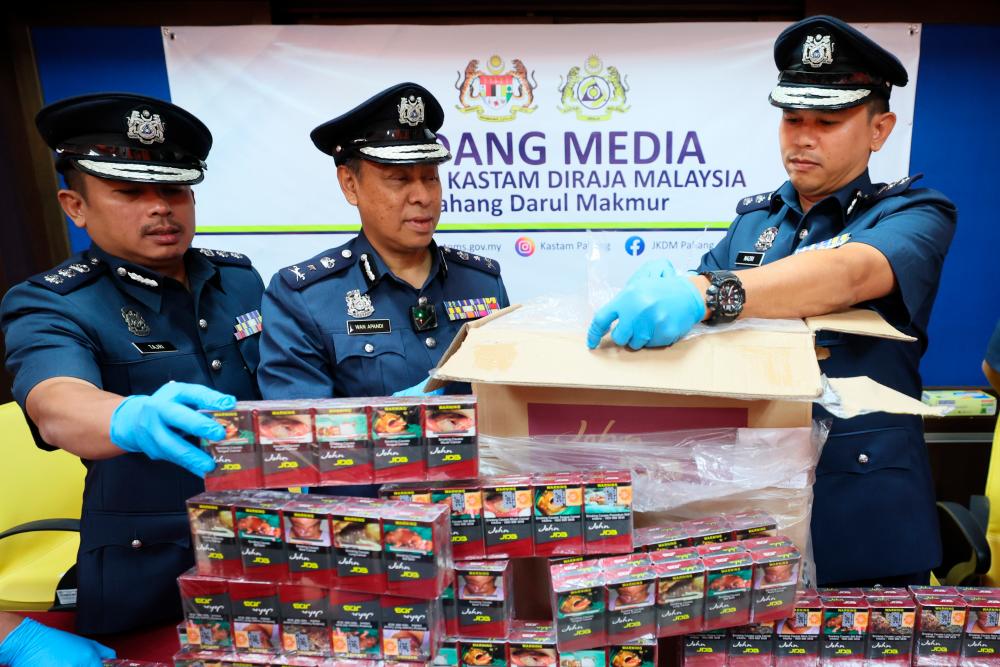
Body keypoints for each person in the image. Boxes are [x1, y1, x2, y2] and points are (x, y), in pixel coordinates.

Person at [587, 16, 956, 586]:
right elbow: (694, 314)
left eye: (827, 121)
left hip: (864, 514)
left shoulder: (914, 214)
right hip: (750, 507)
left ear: (879, 129)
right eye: (792, 118)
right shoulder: (754, 223)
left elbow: (850, 273)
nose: (803, 137)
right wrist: (676, 288)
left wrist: (712, 292)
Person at [0, 93, 264, 643]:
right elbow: (56, 400)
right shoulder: (51, 302)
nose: (160, 208)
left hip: (264, 541)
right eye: (128, 192)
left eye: (173, 190)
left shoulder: (239, 279)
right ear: (75, 206)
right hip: (149, 567)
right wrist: (129, 417)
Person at [257, 82, 509, 400]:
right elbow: (298, 431)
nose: (422, 196)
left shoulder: (482, 282)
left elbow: (509, 400)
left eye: (430, 177)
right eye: (399, 179)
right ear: (350, 185)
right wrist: (388, 422)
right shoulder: (303, 298)